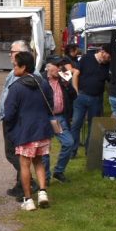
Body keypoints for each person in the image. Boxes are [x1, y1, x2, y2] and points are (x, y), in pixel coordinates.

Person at [3, 50, 54, 211]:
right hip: (42, 130)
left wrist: (11, 129)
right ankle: (43, 193)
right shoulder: (43, 83)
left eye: (15, 65)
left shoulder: (16, 87)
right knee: (39, 162)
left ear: (23, 67)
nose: (13, 68)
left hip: (25, 132)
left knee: (24, 165)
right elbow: (51, 105)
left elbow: (9, 113)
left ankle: (28, 199)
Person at [0, 40, 31, 197]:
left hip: (16, 119)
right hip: (10, 116)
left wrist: (9, 117)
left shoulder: (27, 74)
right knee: (17, 153)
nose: (10, 54)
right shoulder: (14, 72)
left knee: (12, 153)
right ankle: (21, 186)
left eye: (13, 52)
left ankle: (30, 183)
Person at [68, 43, 112, 158]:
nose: (109, 59)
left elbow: (109, 81)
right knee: (76, 124)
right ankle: (72, 151)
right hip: (81, 96)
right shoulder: (86, 58)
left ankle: (89, 151)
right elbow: (76, 74)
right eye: (109, 56)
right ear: (102, 52)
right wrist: (76, 92)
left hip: (96, 99)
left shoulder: (107, 65)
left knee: (93, 126)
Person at [41, 55, 77, 183]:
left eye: (61, 66)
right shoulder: (40, 79)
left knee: (69, 143)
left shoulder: (64, 77)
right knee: (44, 148)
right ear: (49, 67)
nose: (60, 68)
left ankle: (59, 171)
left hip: (59, 117)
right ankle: (45, 177)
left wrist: (68, 83)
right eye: (58, 66)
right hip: (44, 118)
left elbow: (74, 96)